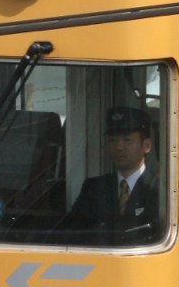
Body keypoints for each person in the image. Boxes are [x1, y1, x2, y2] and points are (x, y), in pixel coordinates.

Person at [60, 105, 160, 245]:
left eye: (127, 140)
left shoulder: (159, 189)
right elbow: (73, 233)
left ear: (146, 146)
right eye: (112, 140)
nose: (118, 147)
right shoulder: (94, 188)